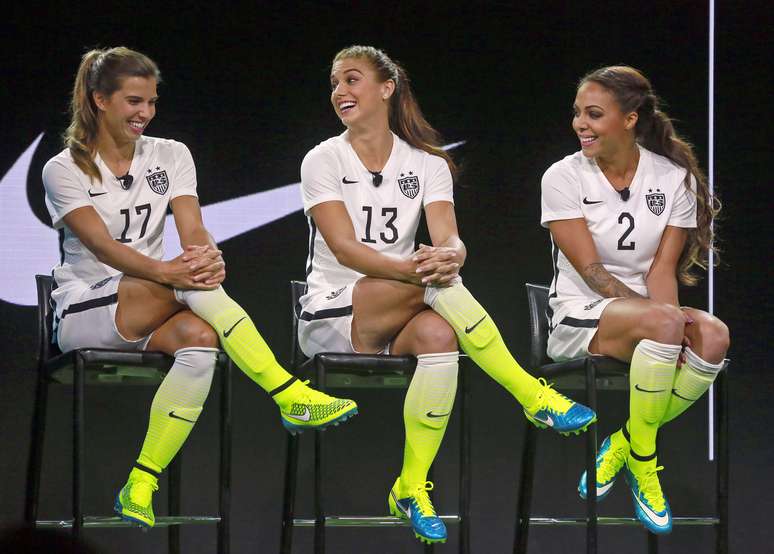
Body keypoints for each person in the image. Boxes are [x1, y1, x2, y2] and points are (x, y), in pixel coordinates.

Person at [42, 47, 357, 529]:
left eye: (151, 102)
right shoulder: (63, 168)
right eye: (132, 101)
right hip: (84, 311)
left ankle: (141, 482)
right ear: (99, 100)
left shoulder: (172, 154)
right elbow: (102, 247)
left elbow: (192, 229)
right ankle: (286, 391)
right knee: (187, 287)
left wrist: (206, 256)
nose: (144, 113)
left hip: (155, 301)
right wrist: (173, 274)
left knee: (202, 341)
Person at [299, 45, 596, 545]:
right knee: (438, 288)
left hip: (408, 303)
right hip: (334, 311)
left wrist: (451, 256)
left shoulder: (427, 164)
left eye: (352, 80)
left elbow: (449, 238)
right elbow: (346, 250)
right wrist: (418, 271)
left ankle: (411, 487)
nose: (340, 92)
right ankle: (529, 392)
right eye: (335, 83)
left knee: (441, 336)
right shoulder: (323, 158)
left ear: (386, 88)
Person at [540, 65, 730, 534]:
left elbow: (661, 271)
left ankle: (623, 442)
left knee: (713, 335)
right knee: (667, 324)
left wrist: (666, 316)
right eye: (578, 113)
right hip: (579, 318)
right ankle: (644, 461)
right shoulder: (562, 177)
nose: (580, 124)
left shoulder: (673, 178)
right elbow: (592, 271)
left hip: (647, 322)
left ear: (629, 119)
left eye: (594, 114)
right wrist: (660, 317)